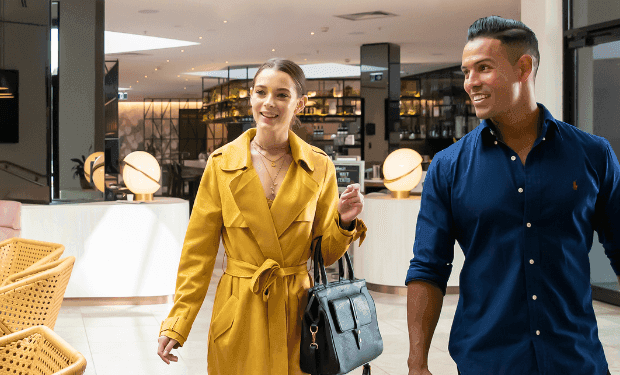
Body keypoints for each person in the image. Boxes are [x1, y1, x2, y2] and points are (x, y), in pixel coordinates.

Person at [405, 16, 620, 374]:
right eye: (466, 72)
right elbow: (428, 268)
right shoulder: (448, 166)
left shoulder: (593, 155)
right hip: (487, 361)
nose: (470, 83)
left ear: (523, 68)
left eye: (483, 68)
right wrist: (417, 364)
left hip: (575, 359)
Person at [155, 58, 367, 374]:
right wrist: (178, 321)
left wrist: (344, 221)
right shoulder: (221, 164)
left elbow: (324, 254)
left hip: (299, 315)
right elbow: (197, 254)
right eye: (261, 92)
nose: (269, 103)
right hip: (238, 311)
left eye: (282, 95)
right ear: (251, 97)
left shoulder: (319, 166)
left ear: (300, 104)